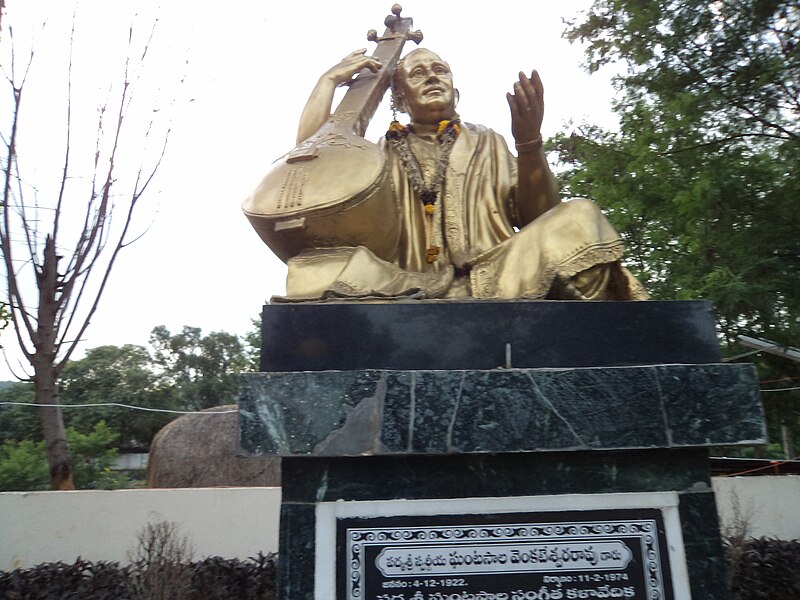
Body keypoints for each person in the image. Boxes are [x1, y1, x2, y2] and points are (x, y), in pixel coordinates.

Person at [282, 48, 648, 301]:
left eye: (439, 70)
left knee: (580, 217)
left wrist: (529, 144)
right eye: (418, 73)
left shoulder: (486, 140)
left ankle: (597, 341)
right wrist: (327, 82)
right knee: (312, 267)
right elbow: (313, 162)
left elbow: (539, 217)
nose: (431, 78)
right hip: (403, 282)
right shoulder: (378, 153)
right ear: (399, 98)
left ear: (456, 90)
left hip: (500, 273)